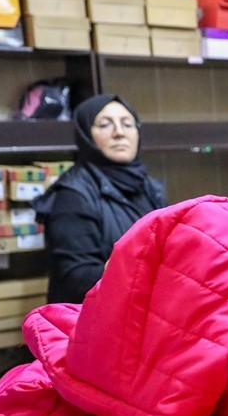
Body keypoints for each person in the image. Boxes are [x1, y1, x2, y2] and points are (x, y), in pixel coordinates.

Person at [32, 93, 166, 304]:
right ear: (86, 134)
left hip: (146, 310)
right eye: (105, 125)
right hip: (96, 321)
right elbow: (76, 278)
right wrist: (140, 269)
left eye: (127, 124)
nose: (119, 133)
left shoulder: (149, 187)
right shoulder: (73, 194)